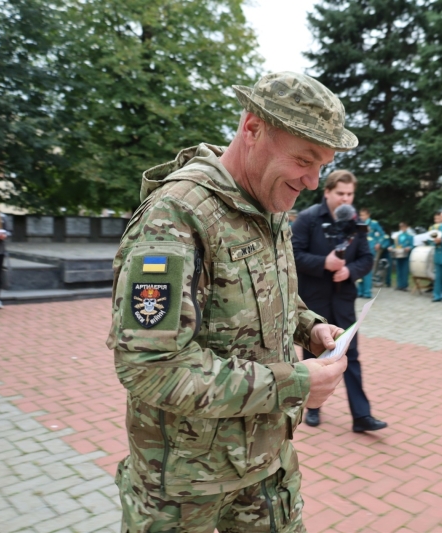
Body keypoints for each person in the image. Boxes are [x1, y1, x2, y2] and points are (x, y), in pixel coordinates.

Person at [105, 71, 352, 533]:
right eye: (304, 159)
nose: (313, 181)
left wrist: (310, 327)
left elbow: (274, 293)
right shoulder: (174, 216)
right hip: (183, 489)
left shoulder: (270, 204)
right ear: (253, 129)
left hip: (265, 469)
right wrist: (293, 383)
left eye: (323, 164)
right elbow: (150, 367)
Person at [292, 170, 387, 434]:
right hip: (313, 300)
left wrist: (350, 271)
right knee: (315, 352)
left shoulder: (356, 224)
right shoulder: (308, 219)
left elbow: (366, 258)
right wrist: (324, 263)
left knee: (351, 355)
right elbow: (293, 255)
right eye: (340, 193)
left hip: (343, 300)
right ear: (327, 193)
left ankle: (361, 415)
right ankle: (312, 408)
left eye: (350, 194)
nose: (346, 199)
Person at [357, 207, 384, 298]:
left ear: (368, 215)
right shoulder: (358, 223)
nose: (362, 217)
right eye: (360, 215)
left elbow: (382, 235)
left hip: (370, 248)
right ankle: (360, 291)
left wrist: (378, 243)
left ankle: (367, 292)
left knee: (368, 270)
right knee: (360, 270)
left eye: (363, 215)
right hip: (359, 249)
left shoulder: (374, 224)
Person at [391, 222, 413, 291]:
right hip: (398, 253)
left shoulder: (410, 236)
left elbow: (412, 245)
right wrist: (391, 247)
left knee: (405, 270)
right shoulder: (398, 236)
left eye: (403, 227)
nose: (402, 228)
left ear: (406, 227)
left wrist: (409, 248)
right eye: (401, 227)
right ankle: (399, 285)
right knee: (399, 269)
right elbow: (395, 245)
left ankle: (405, 285)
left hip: (405, 254)